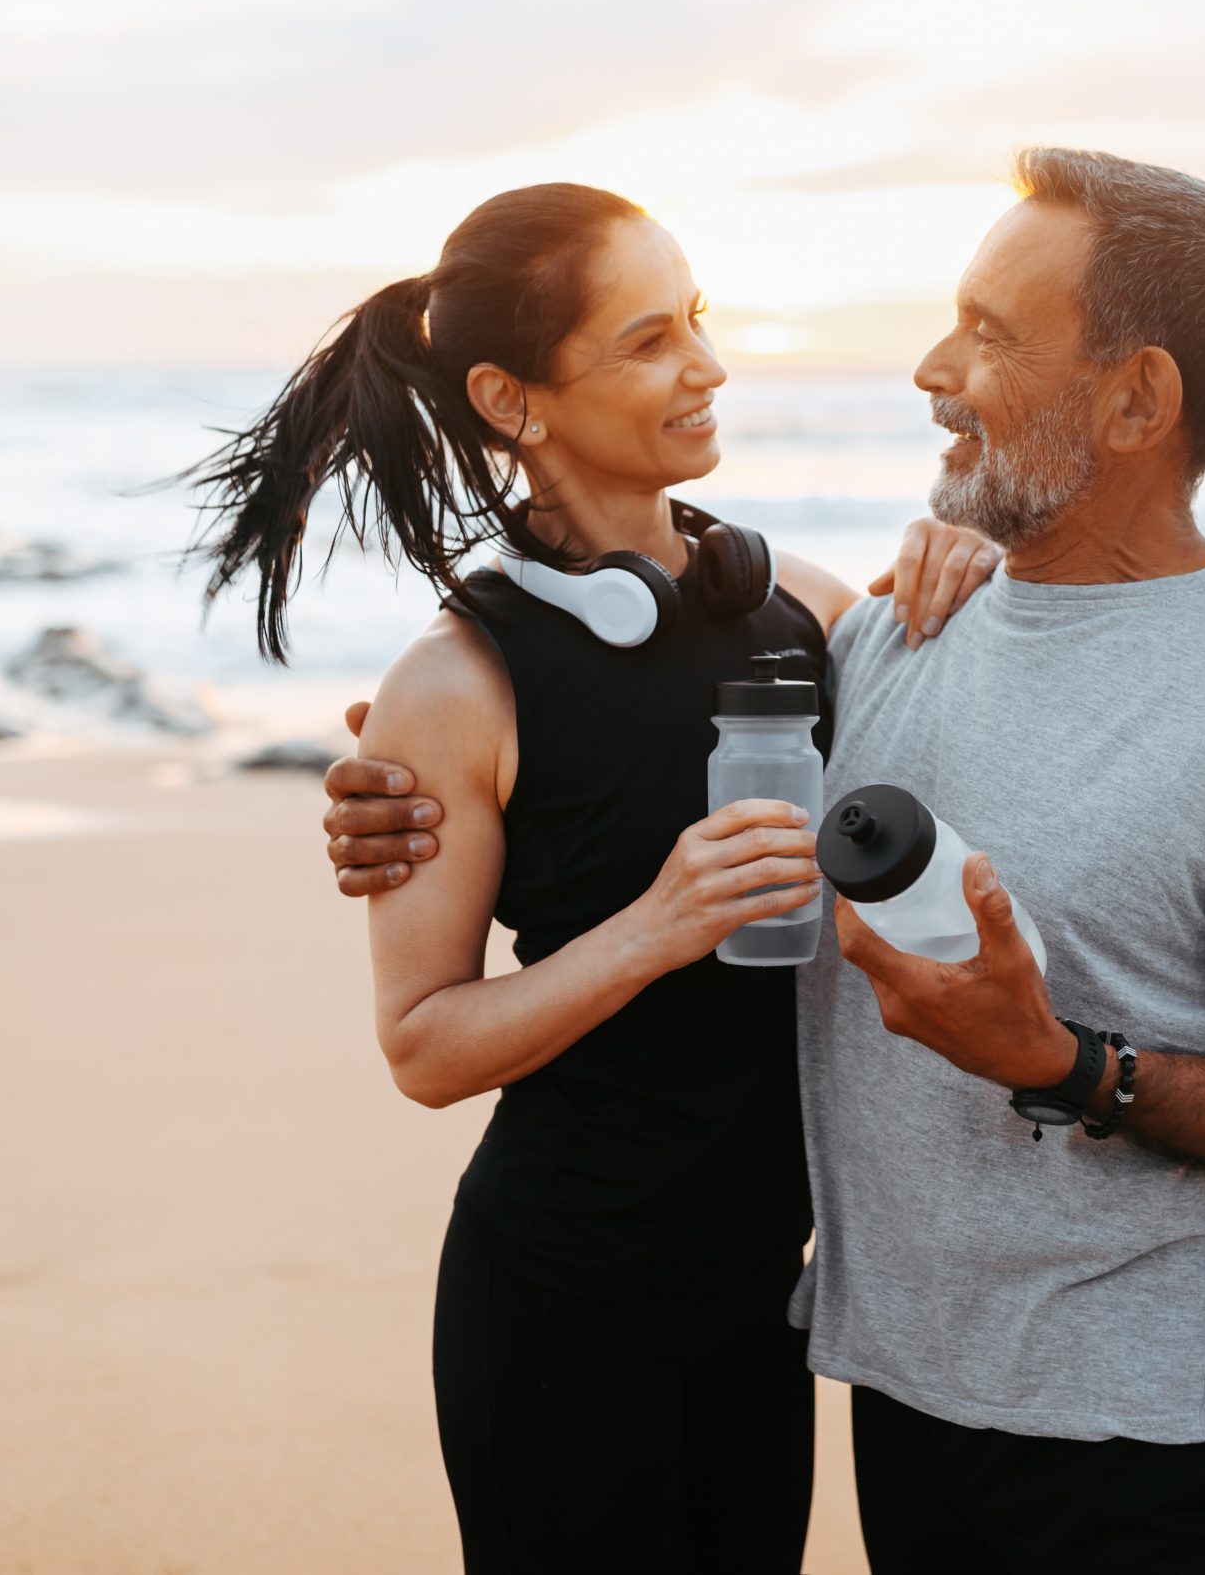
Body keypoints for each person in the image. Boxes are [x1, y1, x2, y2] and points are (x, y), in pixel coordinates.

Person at [332, 149, 1205, 1573]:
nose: (932, 368)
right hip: (804, 1367)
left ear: (1136, 400)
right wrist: (399, 776)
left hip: (1051, 1415)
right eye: (651, 334)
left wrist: (1065, 1063)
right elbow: (515, 882)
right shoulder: (845, 642)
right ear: (515, 398)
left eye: (988, 333)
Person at [187, 180, 1000, 1573]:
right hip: (567, 1304)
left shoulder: (800, 603)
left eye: (697, 319)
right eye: (647, 341)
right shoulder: (454, 685)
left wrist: (971, 559)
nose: (709, 365)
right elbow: (426, 1050)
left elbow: (947, 797)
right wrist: (657, 928)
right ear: (512, 399)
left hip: (764, 1296)